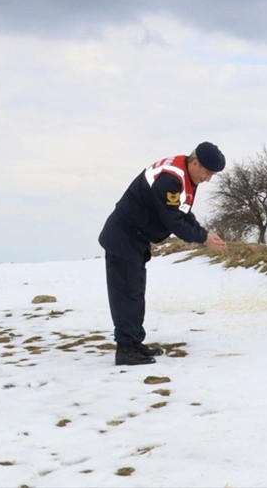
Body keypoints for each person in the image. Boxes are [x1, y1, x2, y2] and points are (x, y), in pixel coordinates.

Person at [98, 142, 228, 366]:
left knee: (135, 291)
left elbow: (183, 211)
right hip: (124, 236)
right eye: (207, 172)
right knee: (127, 292)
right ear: (195, 162)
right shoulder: (171, 178)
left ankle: (134, 343)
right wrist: (202, 238)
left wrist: (203, 232)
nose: (208, 179)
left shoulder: (185, 176)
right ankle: (126, 349)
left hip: (135, 237)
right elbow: (174, 221)